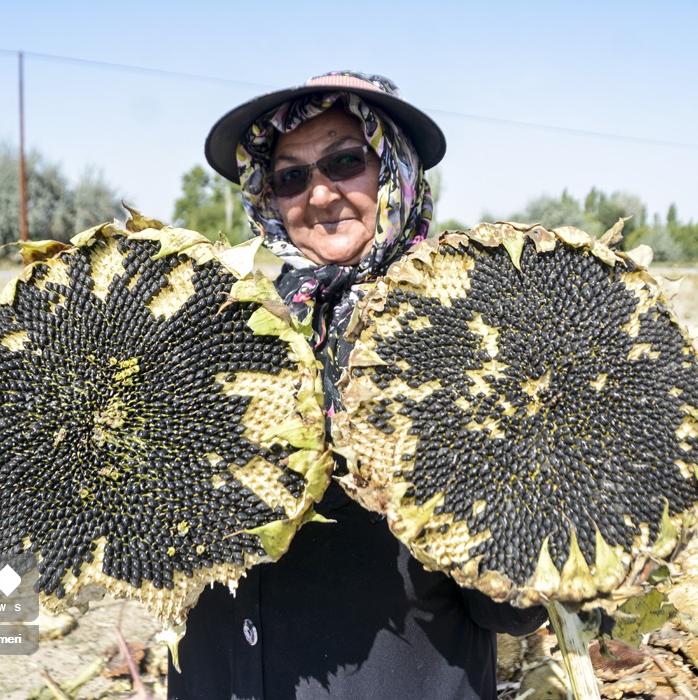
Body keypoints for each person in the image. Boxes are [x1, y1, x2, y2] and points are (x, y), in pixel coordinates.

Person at [168, 71, 546, 700]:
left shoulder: (476, 324)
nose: (319, 196)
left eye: (344, 161)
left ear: (394, 169)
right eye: (289, 176)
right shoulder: (232, 324)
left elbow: (511, 608)